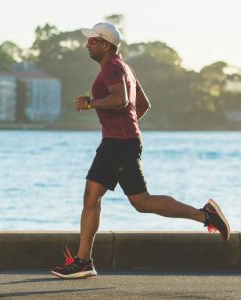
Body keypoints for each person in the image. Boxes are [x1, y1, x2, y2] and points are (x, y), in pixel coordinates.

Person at [51, 22, 231, 279]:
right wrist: (126, 126)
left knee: (142, 202)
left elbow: (122, 100)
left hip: (119, 145)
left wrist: (92, 103)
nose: (87, 44)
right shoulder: (124, 67)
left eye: (92, 40)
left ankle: (206, 215)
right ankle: (83, 261)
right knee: (92, 195)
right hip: (117, 142)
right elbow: (142, 105)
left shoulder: (113, 67)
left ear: (106, 44)